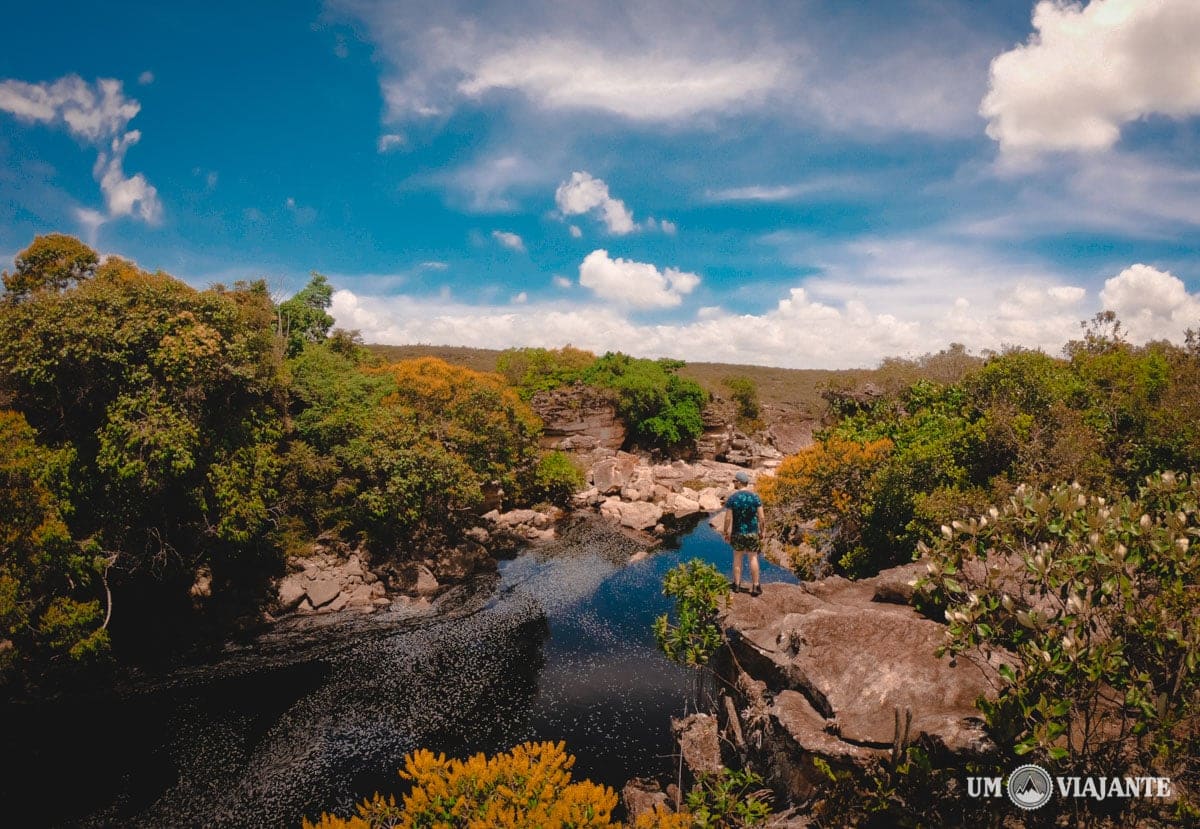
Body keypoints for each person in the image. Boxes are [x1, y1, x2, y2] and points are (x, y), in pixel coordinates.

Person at [723, 470, 764, 596]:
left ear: (739, 483)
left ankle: (736, 585)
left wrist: (726, 532)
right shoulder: (755, 497)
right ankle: (756, 586)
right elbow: (761, 518)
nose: (733, 483)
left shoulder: (733, 498)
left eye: (734, 481)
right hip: (752, 532)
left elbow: (728, 518)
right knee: (753, 557)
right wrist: (762, 531)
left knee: (737, 557)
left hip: (738, 533)